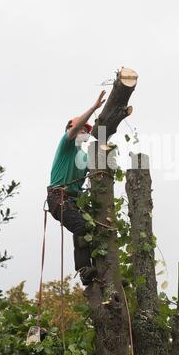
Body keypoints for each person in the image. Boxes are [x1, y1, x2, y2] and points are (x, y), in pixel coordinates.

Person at [47, 90, 106, 286]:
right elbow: (76, 129)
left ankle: (102, 272)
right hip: (59, 197)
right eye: (82, 129)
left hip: (75, 200)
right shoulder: (66, 145)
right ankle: (84, 270)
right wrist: (94, 108)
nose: (84, 133)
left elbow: (99, 170)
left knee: (96, 230)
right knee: (82, 227)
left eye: (86, 131)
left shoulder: (84, 158)